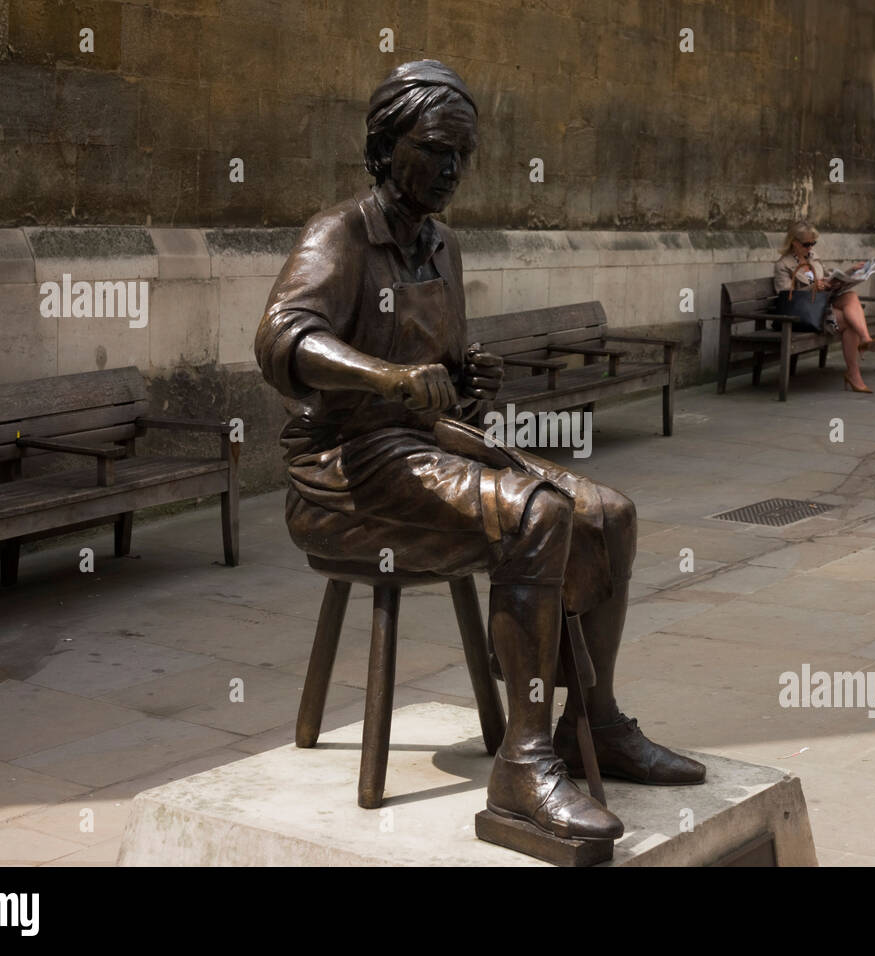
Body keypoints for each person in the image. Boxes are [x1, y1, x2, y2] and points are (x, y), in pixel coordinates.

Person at [254, 60, 703, 846]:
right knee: (533, 517)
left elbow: (447, 385)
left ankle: (589, 723)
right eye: (435, 150)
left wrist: (469, 380)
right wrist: (389, 378)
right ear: (386, 147)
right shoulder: (341, 234)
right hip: (344, 469)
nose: (452, 170)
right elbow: (282, 341)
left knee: (608, 515)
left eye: (463, 154)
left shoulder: (442, 245)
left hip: (425, 446)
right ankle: (521, 770)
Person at [774, 220, 875, 393]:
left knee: (851, 296)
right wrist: (812, 288)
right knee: (849, 323)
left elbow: (829, 276)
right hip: (806, 313)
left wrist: (852, 271)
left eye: (813, 243)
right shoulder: (783, 265)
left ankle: (866, 340)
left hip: (824, 303)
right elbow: (784, 295)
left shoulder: (813, 257)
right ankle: (854, 373)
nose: (810, 248)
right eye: (806, 244)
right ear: (794, 242)